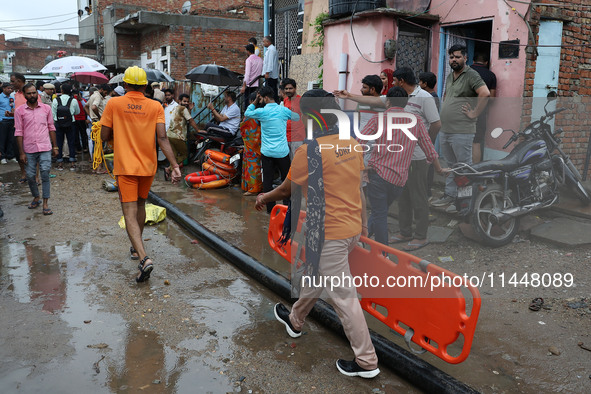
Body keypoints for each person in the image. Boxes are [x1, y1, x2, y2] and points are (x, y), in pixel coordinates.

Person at [256, 89, 380, 379]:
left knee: (344, 298)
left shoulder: (309, 151)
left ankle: (367, 361)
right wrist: (362, 228)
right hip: (349, 230)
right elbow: (359, 189)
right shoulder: (351, 143)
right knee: (316, 275)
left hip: (329, 234)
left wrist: (264, 197)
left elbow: (287, 189)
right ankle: (296, 320)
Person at [100, 66, 182, 283]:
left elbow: (104, 135)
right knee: (140, 206)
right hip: (148, 166)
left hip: (126, 167)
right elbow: (163, 138)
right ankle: (136, 249)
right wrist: (175, 166)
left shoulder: (114, 103)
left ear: (124, 85)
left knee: (128, 212)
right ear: (145, 86)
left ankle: (144, 258)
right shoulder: (156, 106)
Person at [361, 87, 445, 246]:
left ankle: (382, 252)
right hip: (399, 179)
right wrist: (439, 169)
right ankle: (362, 241)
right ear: (406, 103)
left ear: (388, 102)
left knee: (379, 214)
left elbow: (360, 144)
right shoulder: (416, 121)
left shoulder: (378, 119)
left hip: (378, 174)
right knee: (380, 211)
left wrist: (362, 169)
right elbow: (429, 149)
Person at [431, 45, 490, 211]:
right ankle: (450, 196)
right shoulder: (451, 76)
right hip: (446, 129)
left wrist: (474, 113)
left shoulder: (471, 74)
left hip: (462, 130)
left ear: (465, 58)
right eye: (451, 57)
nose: (454, 60)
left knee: (464, 167)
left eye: (457, 57)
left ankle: (466, 203)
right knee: (451, 165)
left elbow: (485, 93)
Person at [389, 67, 441, 251]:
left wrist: (426, 143)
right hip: (401, 157)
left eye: (394, 81)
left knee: (418, 195)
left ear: (401, 80)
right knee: (402, 195)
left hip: (418, 157)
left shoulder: (425, 98)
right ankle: (405, 231)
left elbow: (436, 124)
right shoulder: (401, 98)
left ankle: (421, 235)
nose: (393, 84)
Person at [245, 86, 299, 213]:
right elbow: (297, 117)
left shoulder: (261, 112)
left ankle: (271, 209)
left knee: (267, 181)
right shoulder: (283, 110)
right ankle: (287, 207)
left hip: (267, 152)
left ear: (265, 98)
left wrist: (255, 101)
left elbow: (247, 113)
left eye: (261, 98)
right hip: (282, 152)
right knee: (286, 180)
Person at [14, 83, 58, 216]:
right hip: (29, 148)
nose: (32, 95)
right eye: (29, 93)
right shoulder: (19, 111)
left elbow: (51, 127)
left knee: (45, 173)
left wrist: (55, 146)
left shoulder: (46, 109)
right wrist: (21, 152)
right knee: (30, 176)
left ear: (37, 94)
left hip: (45, 146)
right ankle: (36, 197)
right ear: (24, 95)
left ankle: (45, 203)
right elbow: (19, 132)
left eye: (34, 93)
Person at [163, 93, 199, 179]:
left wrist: (189, 109)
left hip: (170, 135)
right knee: (185, 155)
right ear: (179, 101)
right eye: (184, 101)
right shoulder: (183, 109)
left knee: (175, 156)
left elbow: (184, 118)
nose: (186, 103)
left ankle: (169, 170)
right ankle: (169, 169)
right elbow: (190, 120)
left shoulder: (176, 108)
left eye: (187, 101)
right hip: (177, 136)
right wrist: (198, 130)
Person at [470, 52, 497, 164]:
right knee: (476, 142)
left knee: (459, 140)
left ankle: (458, 171)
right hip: (480, 112)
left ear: (473, 61)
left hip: (462, 109)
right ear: (486, 63)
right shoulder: (491, 75)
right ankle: (474, 171)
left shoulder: (464, 72)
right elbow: (491, 98)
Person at [10, 72, 34, 182]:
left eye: (12, 81)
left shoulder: (31, 93)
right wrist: (12, 113)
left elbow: (35, 109)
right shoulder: (16, 94)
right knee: (19, 151)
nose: (11, 83)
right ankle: (24, 174)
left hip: (30, 127)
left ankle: (35, 176)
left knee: (33, 152)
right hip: (17, 126)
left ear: (19, 81)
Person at [52, 83, 80, 171]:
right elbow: (77, 112)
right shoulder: (74, 100)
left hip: (58, 124)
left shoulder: (56, 100)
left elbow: (53, 114)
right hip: (71, 123)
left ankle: (60, 164)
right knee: (71, 142)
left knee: (59, 143)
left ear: (62, 90)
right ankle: (72, 164)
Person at [240, 92, 262, 196]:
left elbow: (243, 128)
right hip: (257, 143)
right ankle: (251, 187)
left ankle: (253, 189)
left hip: (250, 144)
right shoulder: (261, 113)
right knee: (254, 166)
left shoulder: (250, 114)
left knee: (251, 166)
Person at [280, 78, 305, 159]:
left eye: (290, 88)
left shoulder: (301, 100)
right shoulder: (285, 100)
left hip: (298, 137)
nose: (288, 90)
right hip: (286, 137)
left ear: (295, 88)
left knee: (297, 162)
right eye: (286, 89)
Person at [240, 44, 263, 111]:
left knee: (248, 103)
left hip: (249, 85)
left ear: (248, 51)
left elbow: (247, 74)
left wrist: (244, 86)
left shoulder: (249, 60)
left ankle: (247, 118)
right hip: (257, 84)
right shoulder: (260, 59)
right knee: (256, 102)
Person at [0, 83, 15, 164]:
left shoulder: (12, 98)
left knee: (11, 139)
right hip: (3, 120)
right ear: (3, 89)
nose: (10, 90)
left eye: (11, 88)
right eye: (8, 88)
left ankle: (10, 156)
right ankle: (2, 157)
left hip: (11, 120)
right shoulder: (0, 97)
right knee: (2, 139)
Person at [262, 36, 279, 102]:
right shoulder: (270, 49)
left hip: (271, 75)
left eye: (264, 41)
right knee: (269, 91)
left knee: (271, 91)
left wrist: (267, 72)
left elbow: (270, 62)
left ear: (268, 42)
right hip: (270, 75)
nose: (263, 43)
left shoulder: (271, 49)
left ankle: (273, 103)